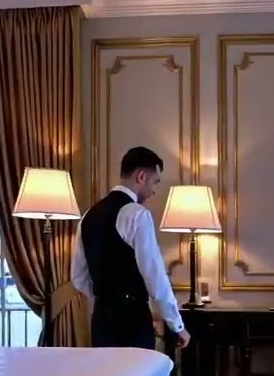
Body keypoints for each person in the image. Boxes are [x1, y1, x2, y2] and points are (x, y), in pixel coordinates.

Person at [71, 146, 191, 351]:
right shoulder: (137, 214)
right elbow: (155, 276)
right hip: (132, 320)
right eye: (154, 182)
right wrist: (177, 325)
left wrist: (106, 300)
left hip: (101, 320)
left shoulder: (88, 215)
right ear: (141, 176)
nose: (153, 191)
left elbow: (78, 277)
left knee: (106, 373)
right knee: (139, 373)